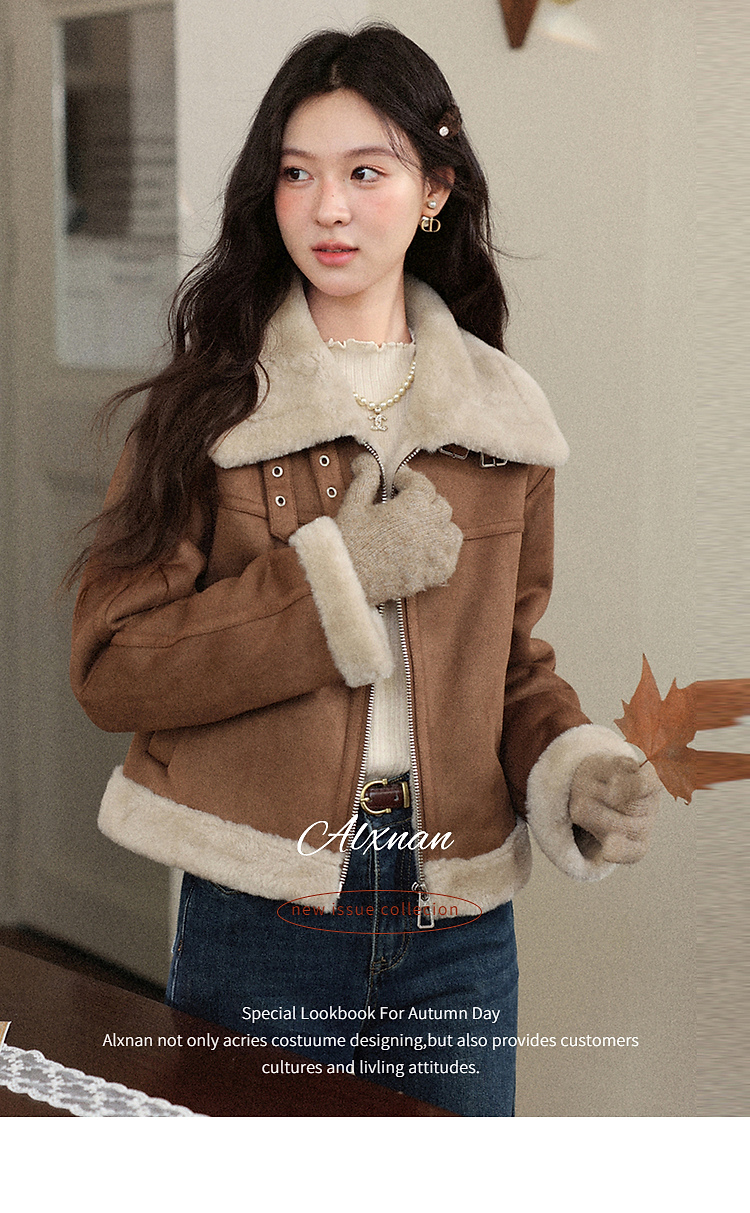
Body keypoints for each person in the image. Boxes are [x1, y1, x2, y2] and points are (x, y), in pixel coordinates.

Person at [69, 23, 660, 1117]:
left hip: (456, 922)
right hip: (263, 905)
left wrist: (571, 765)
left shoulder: (503, 420)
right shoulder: (209, 409)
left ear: (435, 189)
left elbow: (509, 666)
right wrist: (335, 581)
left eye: (365, 173)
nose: (327, 208)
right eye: (297, 173)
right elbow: (115, 666)